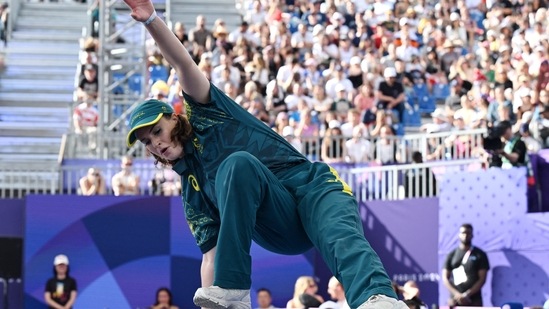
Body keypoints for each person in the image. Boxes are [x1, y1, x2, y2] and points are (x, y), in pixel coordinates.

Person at [122, 1, 406, 308]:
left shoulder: (205, 112)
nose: (155, 143)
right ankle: (233, 291)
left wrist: (151, 19)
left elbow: (184, 65)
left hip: (314, 189)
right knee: (240, 165)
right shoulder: (192, 187)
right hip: (278, 221)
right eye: (146, 142)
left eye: (157, 131)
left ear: (174, 118)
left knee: (339, 235)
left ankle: (378, 300)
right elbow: (211, 255)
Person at [443, 224, 490, 307]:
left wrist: (467, 294)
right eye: (463, 233)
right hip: (455, 299)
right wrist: (457, 295)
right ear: (459, 235)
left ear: (472, 235)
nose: (465, 235)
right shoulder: (452, 254)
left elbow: (482, 278)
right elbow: (445, 278)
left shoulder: (479, 254)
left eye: (468, 233)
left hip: (474, 299)